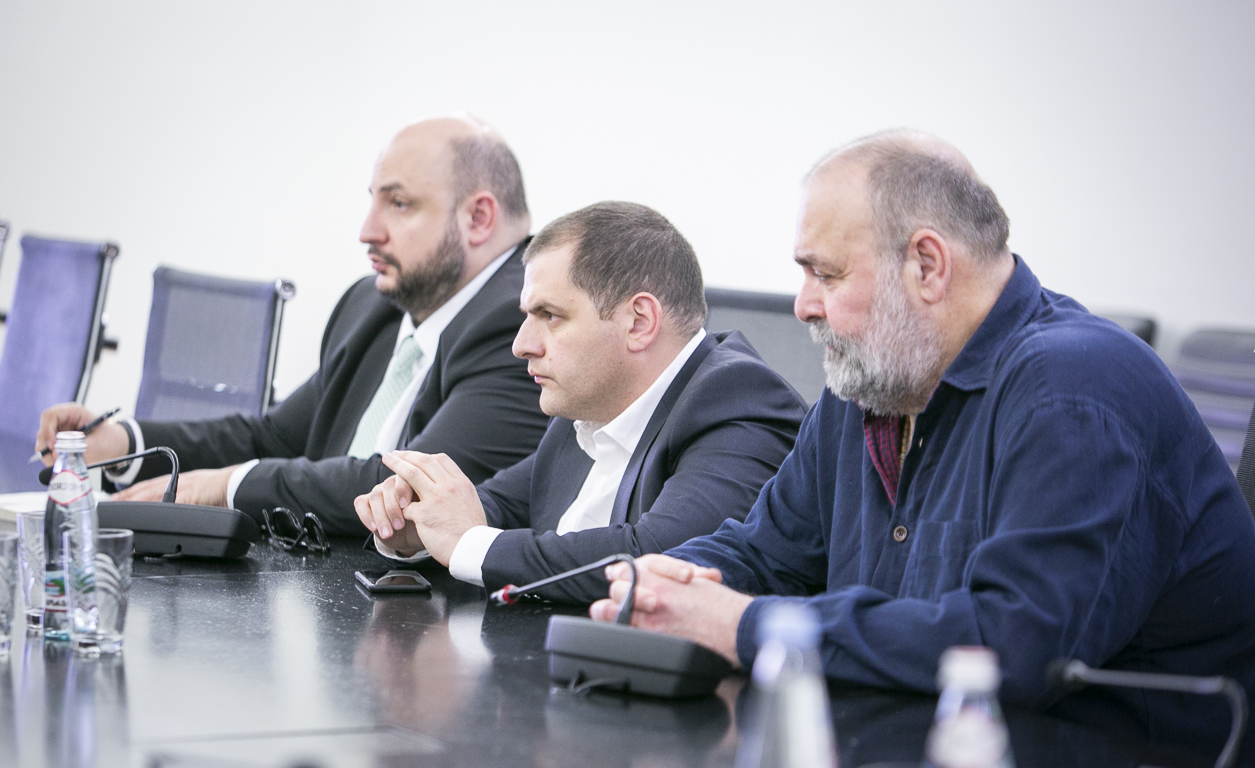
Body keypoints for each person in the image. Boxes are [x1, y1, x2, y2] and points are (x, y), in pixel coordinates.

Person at [590, 131, 1255, 759]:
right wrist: (664, 583)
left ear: (927, 266)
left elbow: (1009, 648)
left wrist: (740, 625)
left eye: (825, 275)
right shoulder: (870, 385)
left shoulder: (1073, 389)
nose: (803, 305)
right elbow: (765, 552)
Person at [36, 116, 551, 534]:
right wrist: (124, 443)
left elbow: (404, 486)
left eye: (398, 203)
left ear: (478, 218)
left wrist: (225, 486)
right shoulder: (372, 305)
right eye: (372, 199)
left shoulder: (526, 323)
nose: (367, 231)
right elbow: (273, 437)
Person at [355, 201, 807, 602]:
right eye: (527, 316)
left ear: (639, 322)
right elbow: (500, 505)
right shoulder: (588, 403)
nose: (521, 345)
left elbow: (660, 557)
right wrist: (419, 521)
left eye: (550, 315)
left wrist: (468, 544)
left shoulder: (739, 403)